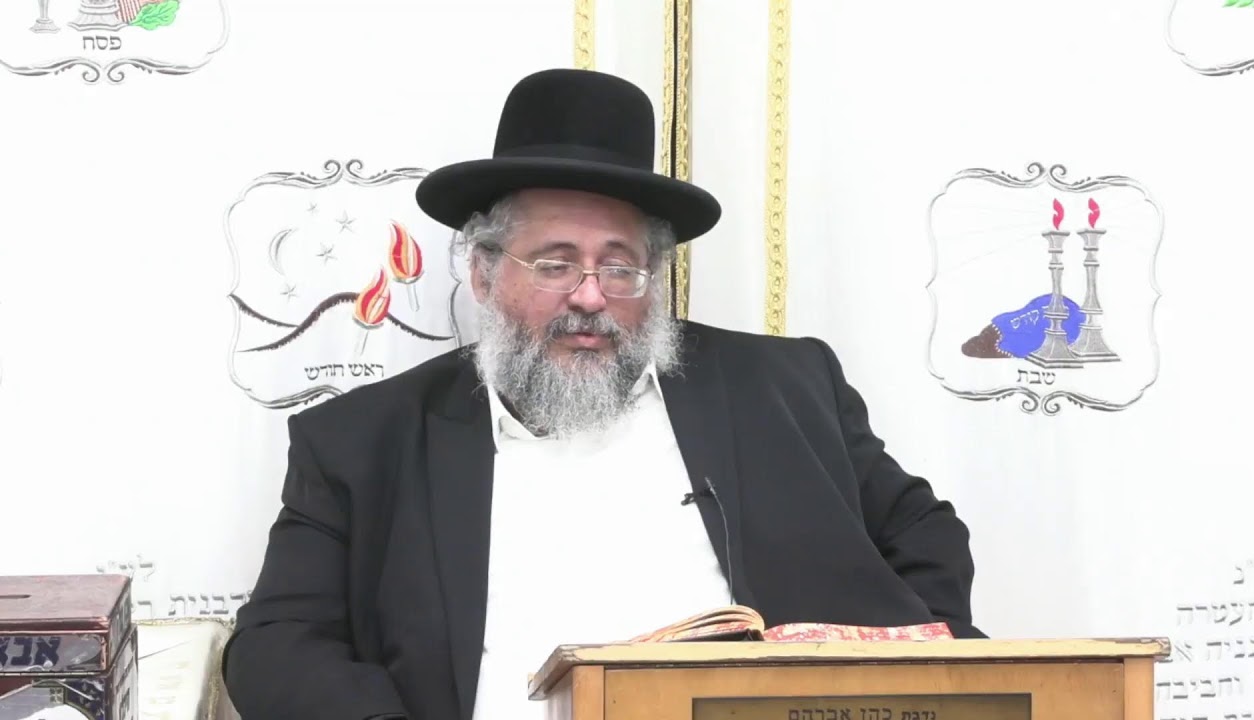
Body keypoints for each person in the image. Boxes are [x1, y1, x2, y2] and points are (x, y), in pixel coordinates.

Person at [221, 68, 983, 720]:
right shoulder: (361, 438)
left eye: (619, 267)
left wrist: (908, 683)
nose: (589, 297)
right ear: (483, 272)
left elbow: (924, 534)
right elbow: (276, 643)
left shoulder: (784, 386)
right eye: (554, 264)